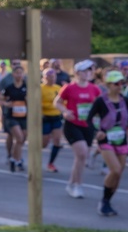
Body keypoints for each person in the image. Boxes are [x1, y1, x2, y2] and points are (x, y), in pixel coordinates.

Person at [55, 60, 102, 199]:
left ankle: (71, 183)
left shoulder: (95, 89)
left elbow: (101, 105)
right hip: (72, 124)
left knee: (81, 157)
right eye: (85, 70)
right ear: (77, 73)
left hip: (88, 126)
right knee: (81, 154)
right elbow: (57, 102)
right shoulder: (69, 88)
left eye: (90, 70)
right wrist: (65, 111)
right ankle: (78, 185)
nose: (88, 73)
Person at [87, 70, 128, 217]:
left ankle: (107, 202)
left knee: (118, 175)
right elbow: (89, 118)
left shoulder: (124, 100)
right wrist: (96, 132)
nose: (120, 86)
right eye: (116, 83)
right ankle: (103, 201)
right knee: (115, 170)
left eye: (122, 83)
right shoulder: (101, 101)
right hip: (106, 139)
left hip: (121, 139)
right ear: (109, 85)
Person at [0, 63, 28, 172]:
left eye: (21, 73)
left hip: (24, 116)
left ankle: (14, 158)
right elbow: (0, 98)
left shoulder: (26, 87)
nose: (19, 75)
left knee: (22, 139)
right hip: (12, 116)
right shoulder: (9, 88)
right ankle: (18, 160)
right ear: (13, 74)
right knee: (19, 138)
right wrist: (6, 104)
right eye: (17, 73)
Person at [41, 68, 64, 173]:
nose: (52, 78)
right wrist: (49, 105)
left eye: (54, 76)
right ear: (45, 78)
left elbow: (64, 102)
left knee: (57, 141)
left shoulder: (59, 88)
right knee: (44, 144)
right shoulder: (41, 88)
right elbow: (37, 103)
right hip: (45, 117)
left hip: (56, 117)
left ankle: (51, 163)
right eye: (49, 76)